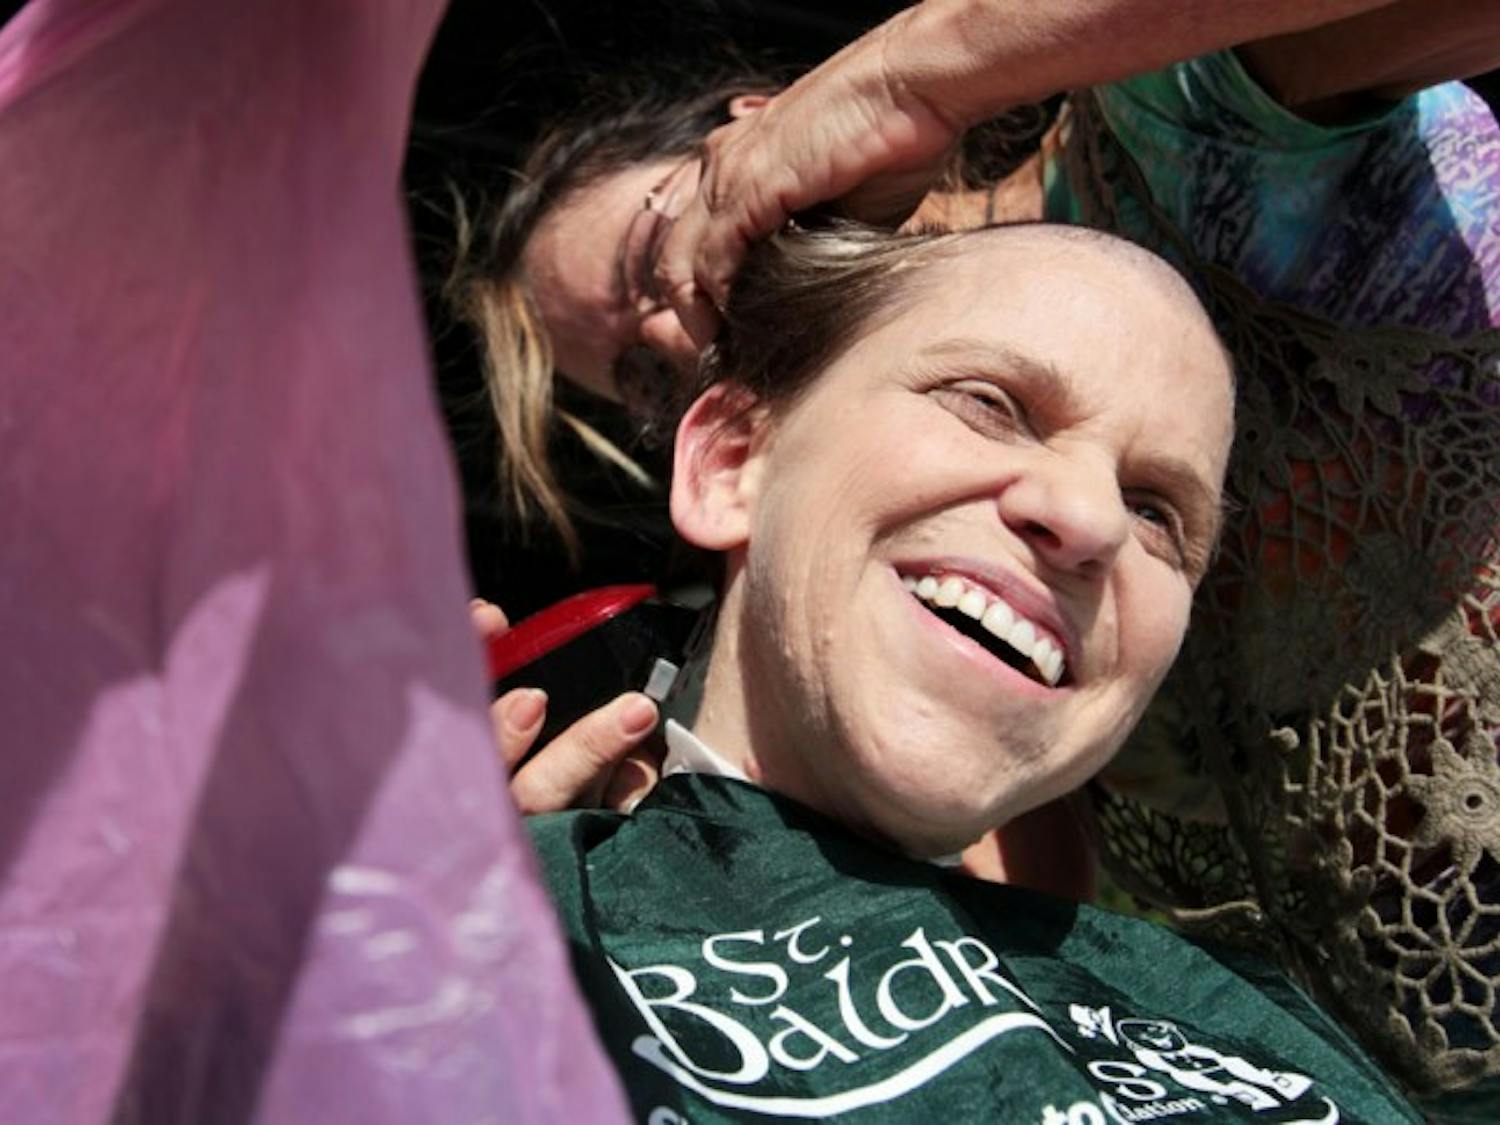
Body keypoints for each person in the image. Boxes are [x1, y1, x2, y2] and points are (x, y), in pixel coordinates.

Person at [494, 6, 1500, 1112]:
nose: (687, 335)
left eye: (658, 261)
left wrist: (899, 80)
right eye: (643, 378)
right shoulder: (964, 607)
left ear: (752, 133)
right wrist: (615, 907)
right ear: (724, 452)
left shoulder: (1165, 127)